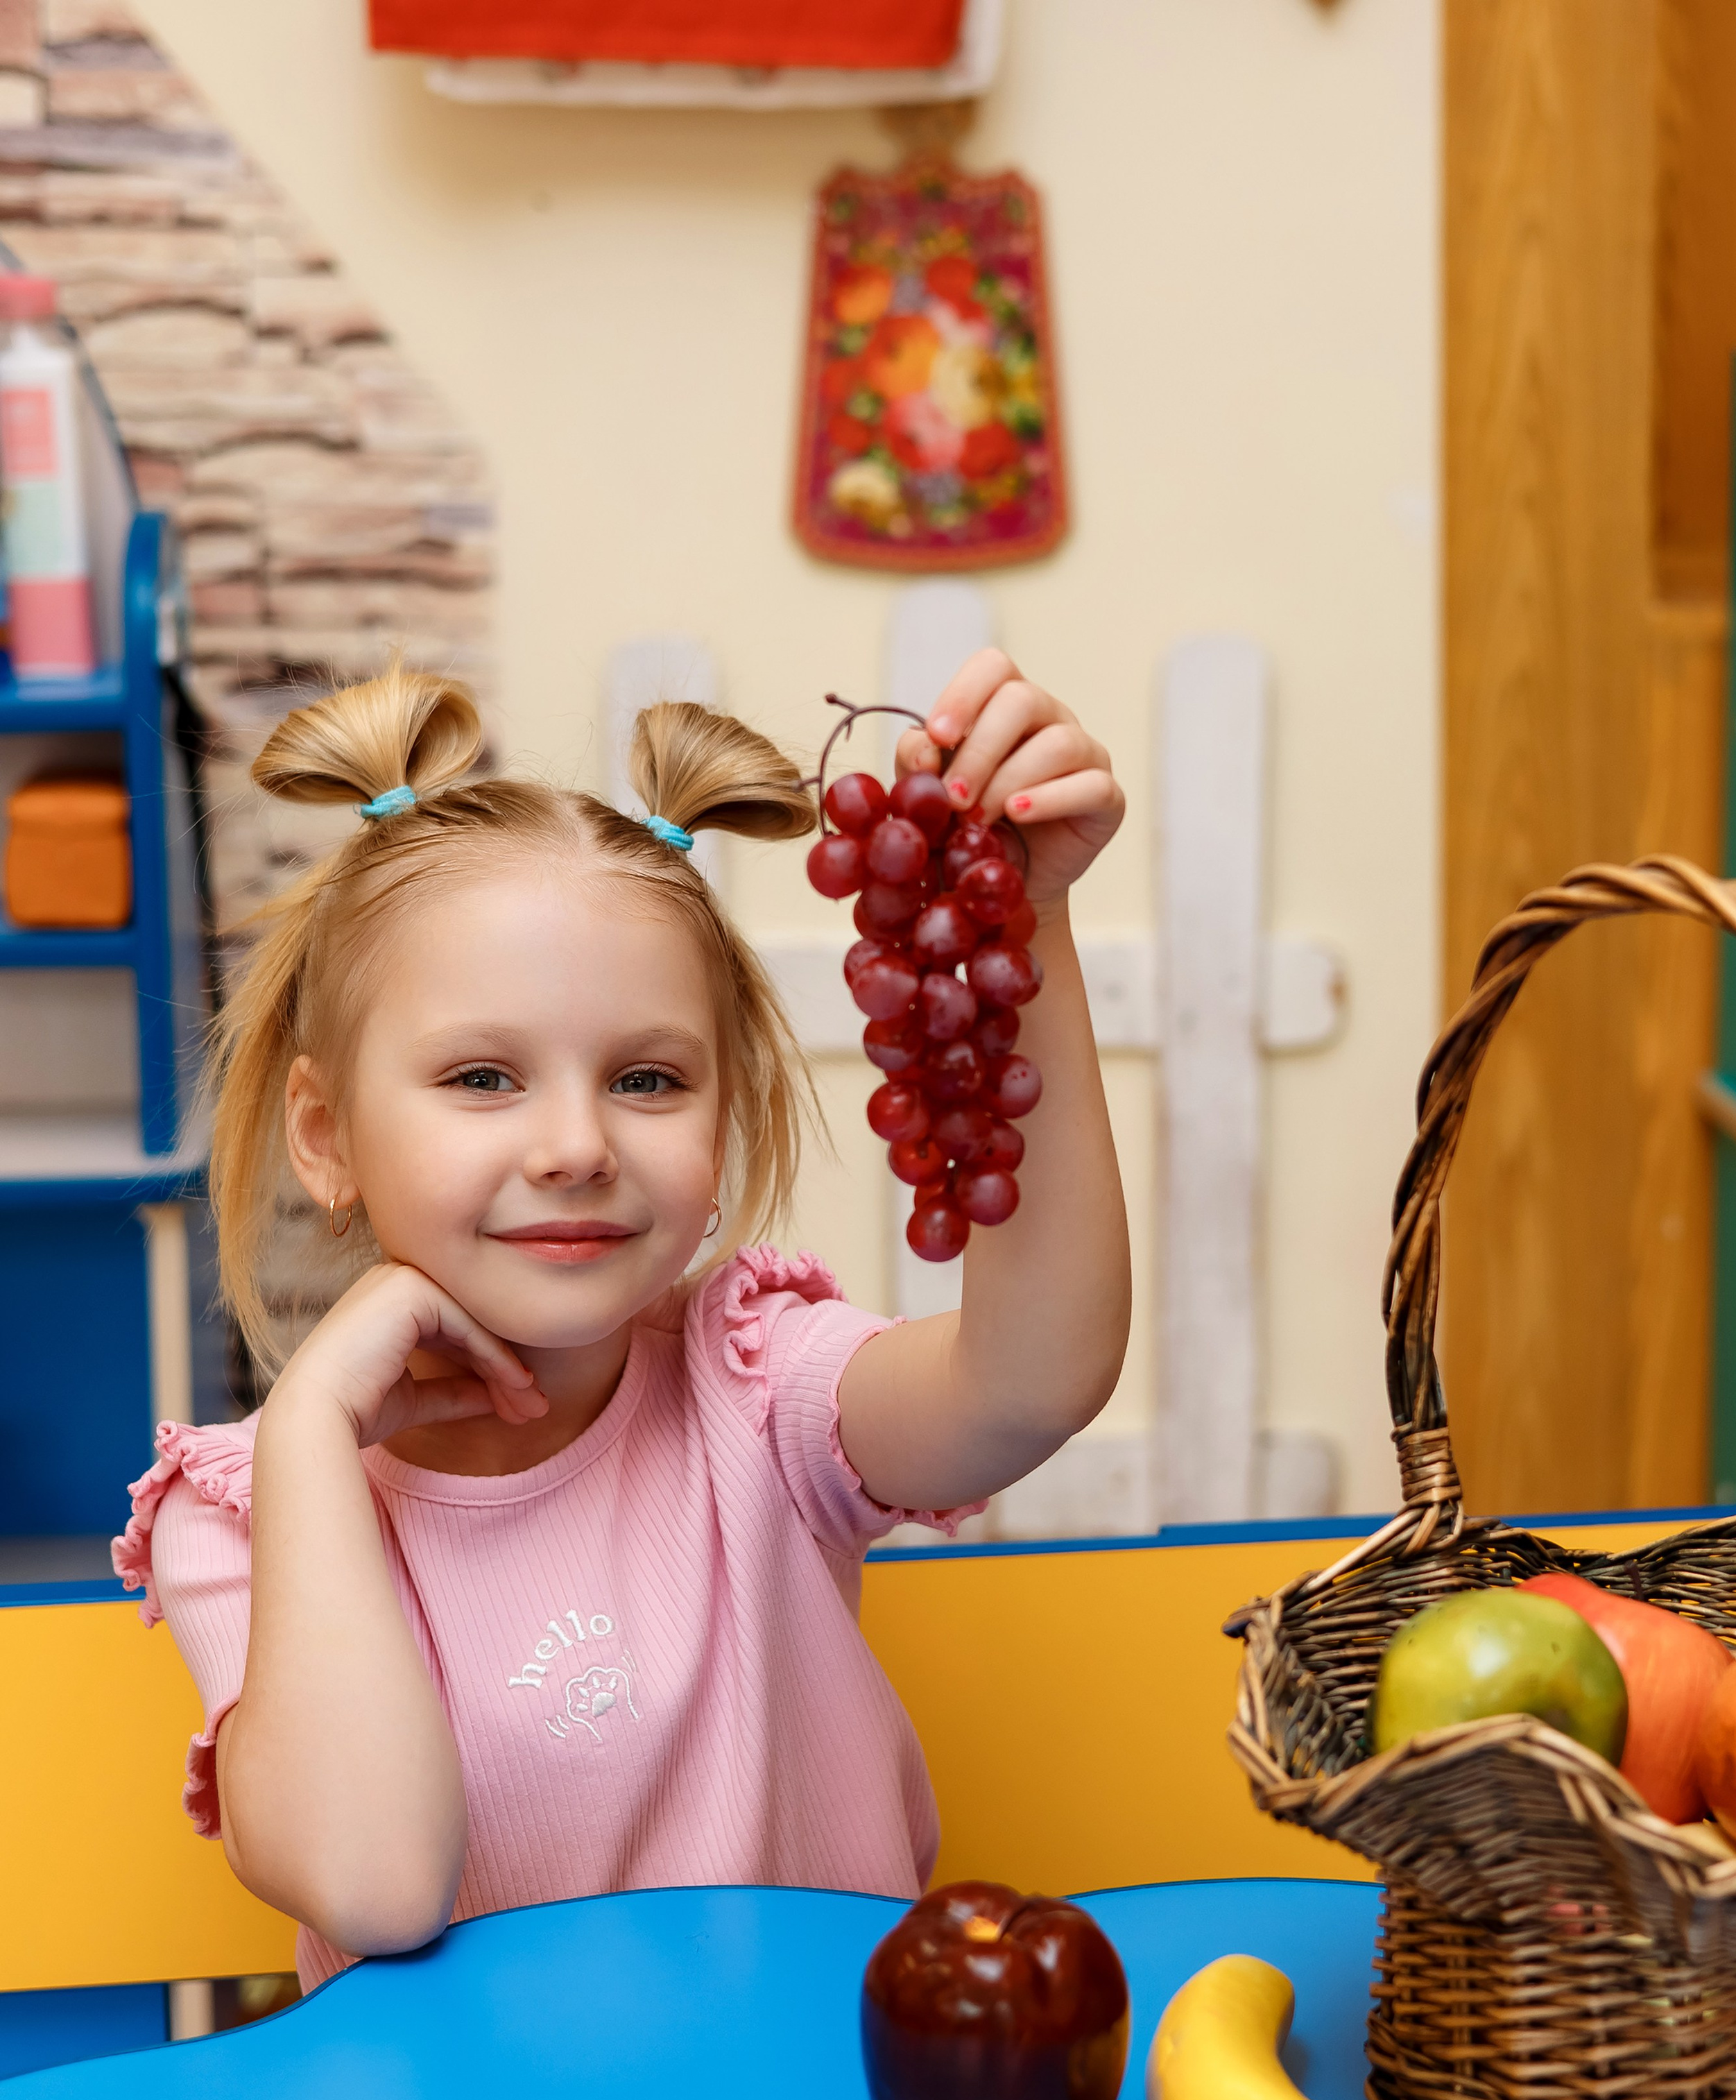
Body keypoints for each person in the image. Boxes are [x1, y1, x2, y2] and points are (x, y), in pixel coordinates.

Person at [114, 650, 1131, 1992]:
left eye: (648, 1080)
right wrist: (307, 1427)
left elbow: (1032, 1383)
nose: (578, 1146)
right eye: (484, 1077)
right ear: (325, 1135)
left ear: (723, 1116)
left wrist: (1024, 925)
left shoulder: (757, 1391)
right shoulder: (243, 1514)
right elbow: (376, 1888)